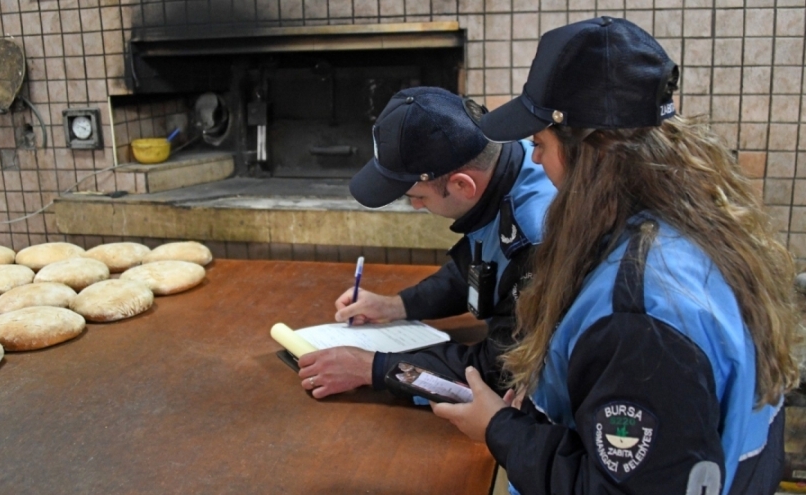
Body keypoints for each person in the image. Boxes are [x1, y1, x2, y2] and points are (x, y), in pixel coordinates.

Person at [431, 17, 804, 495]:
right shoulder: (689, 225)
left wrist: (498, 427)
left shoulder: (641, 316)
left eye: (541, 143)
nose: (535, 158)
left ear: (595, 154)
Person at [296, 86, 557, 400]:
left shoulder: (535, 240)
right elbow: (478, 269)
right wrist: (397, 306)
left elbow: (502, 370)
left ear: (462, 185)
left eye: (417, 197)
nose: (416, 207)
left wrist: (373, 368)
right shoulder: (506, 159)